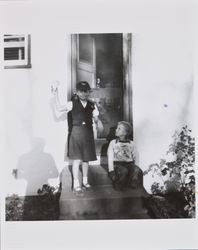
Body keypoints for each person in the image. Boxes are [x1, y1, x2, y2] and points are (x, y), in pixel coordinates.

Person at [51, 81, 103, 194]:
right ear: (77, 92)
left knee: (86, 159)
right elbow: (59, 108)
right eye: (81, 91)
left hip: (88, 134)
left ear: (89, 92)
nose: (84, 93)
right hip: (76, 133)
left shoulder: (92, 104)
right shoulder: (72, 103)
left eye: (86, 91)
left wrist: (99, 123)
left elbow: (96, 118)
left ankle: (85, 181)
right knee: (76, 159)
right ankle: (76, 184)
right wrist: (55, 94)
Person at [107, 121, 143, 191]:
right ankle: (118, 183)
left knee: (136, 170)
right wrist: (111, 170)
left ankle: (132, 183)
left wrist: (136, 167)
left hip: (129, 164)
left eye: (119, 129)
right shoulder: (113, 143)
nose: (116, 130)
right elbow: (110, 157)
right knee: (123, 171)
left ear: (125, 133)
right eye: (117, 128)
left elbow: (136, 156)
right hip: (118, 164)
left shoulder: (131, 143)